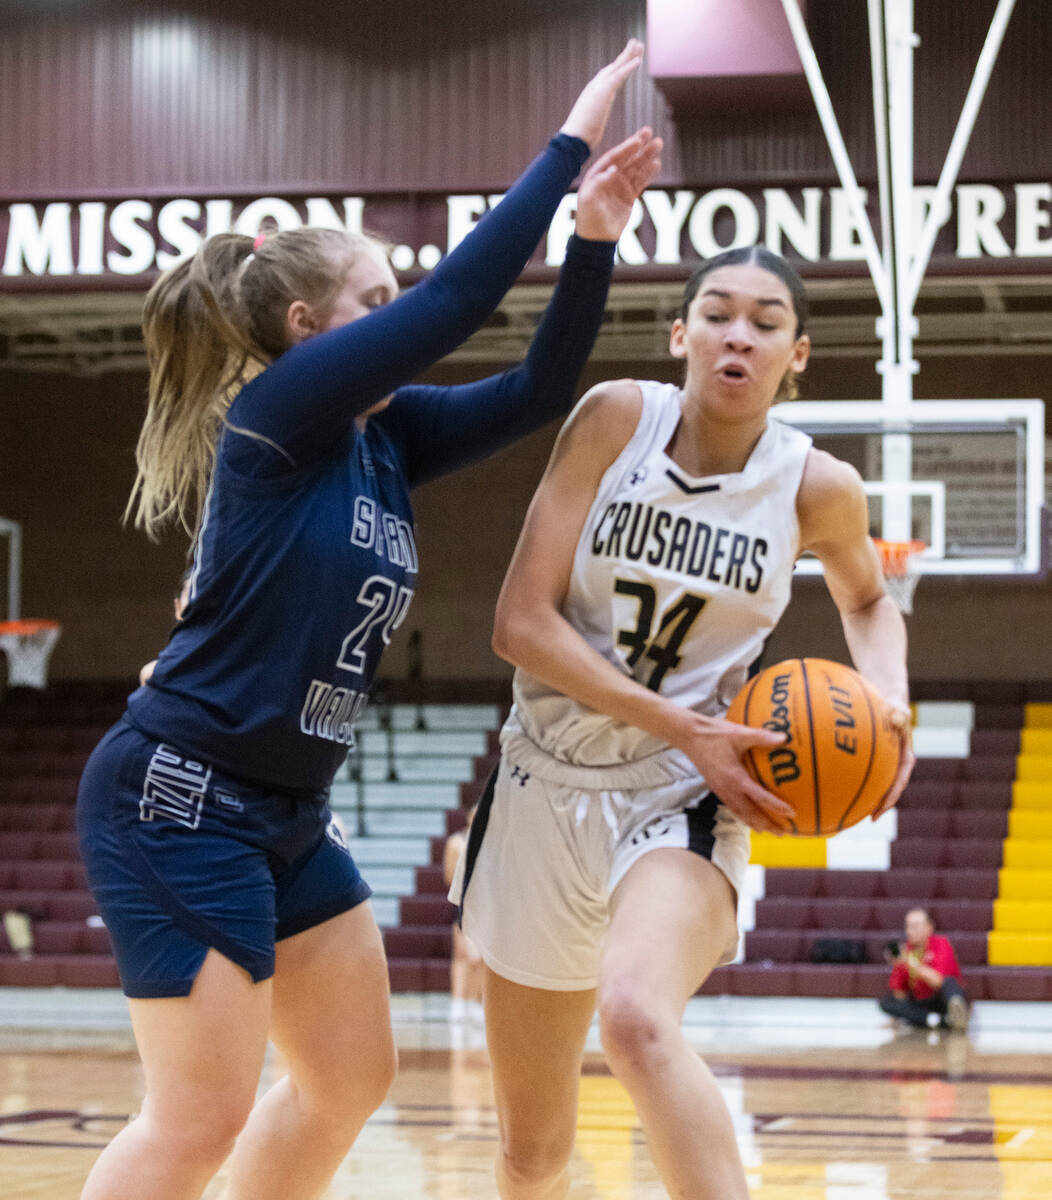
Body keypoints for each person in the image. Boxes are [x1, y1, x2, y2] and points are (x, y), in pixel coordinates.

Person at [75, 42, 661, 1200]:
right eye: (373, 302)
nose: (400, 318)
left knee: (346, 1078)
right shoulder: (279, 414)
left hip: (287, 806)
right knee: (197, 1118)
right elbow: (457, 301)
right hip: (179, 794)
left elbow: (538, 392)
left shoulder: (383, 441)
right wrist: (567, 145)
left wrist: (591, 237)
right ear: (308, 326)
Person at [451, 244, 916, 1199]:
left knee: (634, 1018)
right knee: (531, 1152)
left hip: (687, 790)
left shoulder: (815, 487)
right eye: (717, 312)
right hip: (543, 782)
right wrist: (678, 717)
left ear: (798, 354)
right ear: (681, 334)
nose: (737, 335)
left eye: (765, 321)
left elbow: (869, 602)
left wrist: (891, 708)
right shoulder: (615, 420)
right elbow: (518, 622)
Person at [879, 907, 969, 1032]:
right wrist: (897, 965)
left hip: (942, 999)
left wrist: (909, 962)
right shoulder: (906, 950)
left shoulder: (941, 944)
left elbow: (937, 981)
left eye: (915, 926)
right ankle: (937, 1021)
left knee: (950, 984)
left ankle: (955, 1014)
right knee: (886, 1002)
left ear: (929, 927)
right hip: (922, 1002)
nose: (909, 931)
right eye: (908, 926)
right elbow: (900, 994)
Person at [443, 805, 484, 1023]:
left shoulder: (494, 841)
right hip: (465, 903)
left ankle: (476, 1002)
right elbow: (450, 877)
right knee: (466, 956)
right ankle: (460, 1003)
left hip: (488, 905)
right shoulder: (457, 842)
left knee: (482, 959)